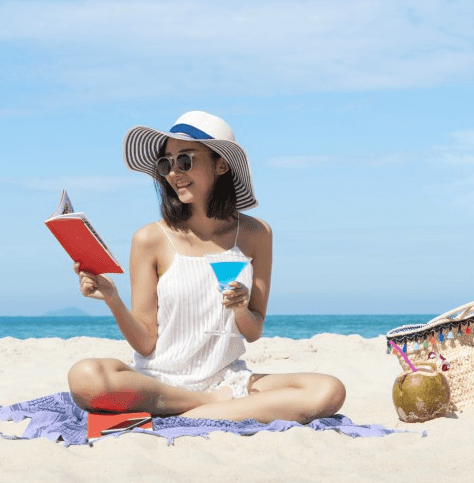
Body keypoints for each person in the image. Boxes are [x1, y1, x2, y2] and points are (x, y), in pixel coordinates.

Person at [68, 111, 346, 424]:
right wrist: (112, 299)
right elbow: (145, 342)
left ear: (221, 165)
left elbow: (253, 331)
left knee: (328, 390)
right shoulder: (150, 238)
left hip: (229, 380)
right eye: (166, 163)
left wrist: (240, 308)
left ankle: (188, 413)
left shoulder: (256, 234)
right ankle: (203, 406)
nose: (173, 172)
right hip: (161, 382)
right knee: (85, 376)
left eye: (185, 160)